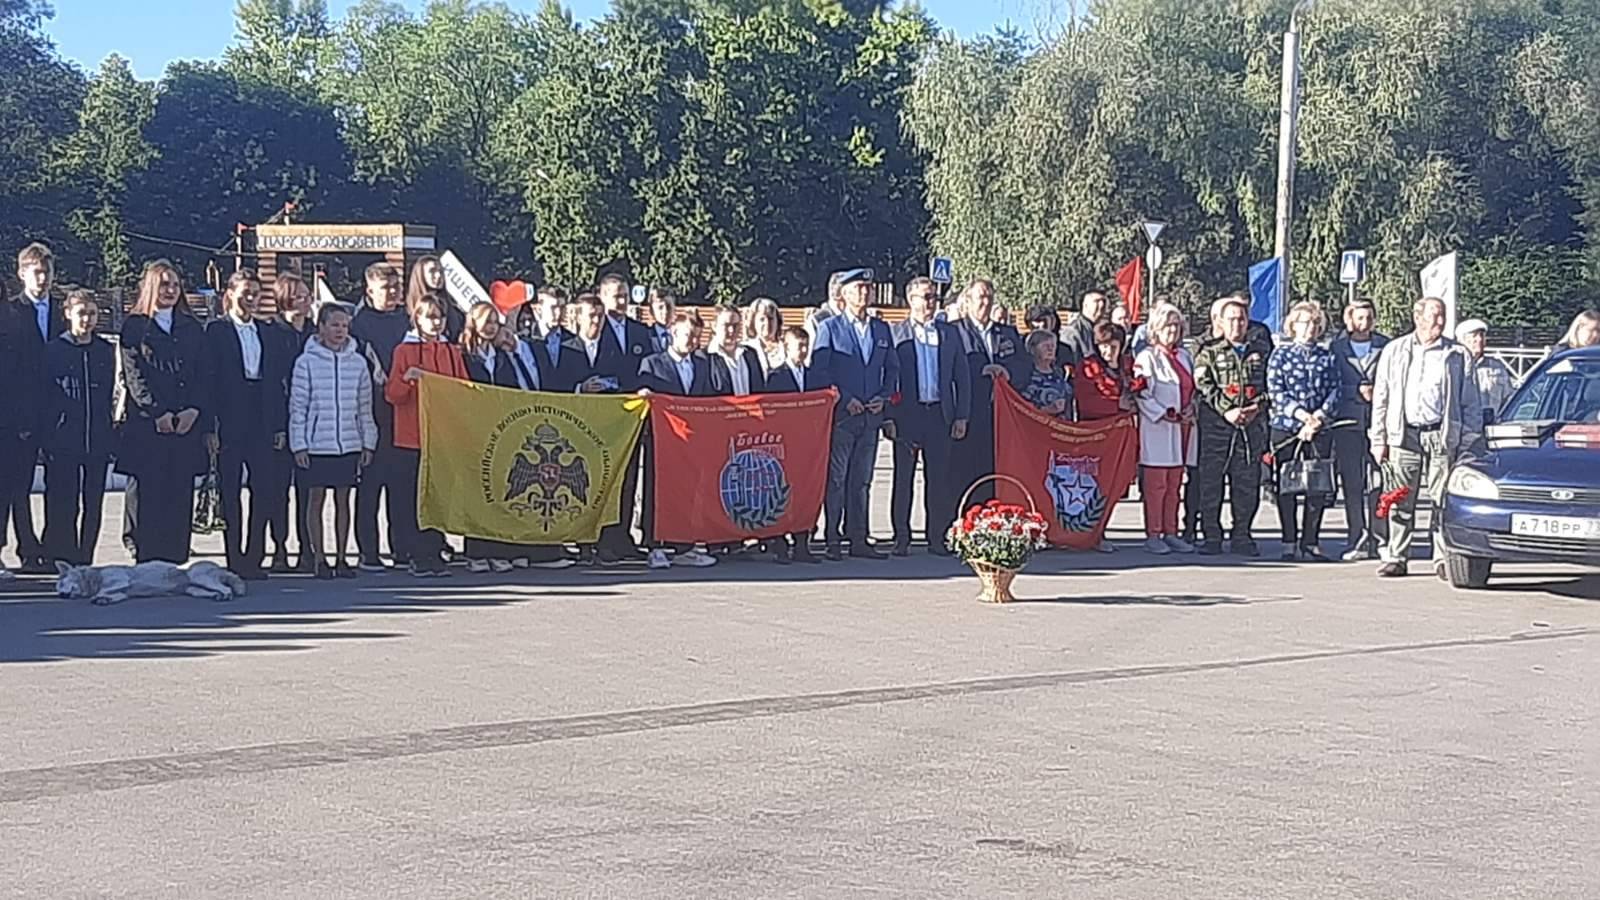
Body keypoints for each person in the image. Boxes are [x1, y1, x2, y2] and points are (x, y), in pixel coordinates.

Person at [1369, 297, 1481, 578]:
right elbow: (1381, 397)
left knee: (1441, 498)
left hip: (1441, 435)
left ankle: (1442, 557)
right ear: (1417, 318)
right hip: (1404, 434)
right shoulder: (1395, 350)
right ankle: (1397, 556)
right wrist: (1378, 438)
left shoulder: (1457, 354)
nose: (1440, 322)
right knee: (1400, 497)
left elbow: (1470, 401)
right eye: (1434, 316)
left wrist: (1468, 438)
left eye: (1443, 315)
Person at [116, 260, 208, 564]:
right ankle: (144, 551)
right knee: (148, 489)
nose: (170, 290)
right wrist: (157, 413)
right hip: (148, 425)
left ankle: (176, 554)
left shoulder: (191, 327)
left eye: (175, 285)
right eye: (164, 284)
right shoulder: (135, 326)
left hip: (185, 423)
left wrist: (193, 409)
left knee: (179, 489)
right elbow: (134, 376)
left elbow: (202, 373)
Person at [203, 270, 291, 580]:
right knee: (230, 490)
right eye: (245, 292)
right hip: (229, 417)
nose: (251, 298)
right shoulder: (216, 330)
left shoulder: (267, 331)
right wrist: (210, 427)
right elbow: (208, 380)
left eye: (255, 292)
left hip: (262, 417)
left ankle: (255, 556)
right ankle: (234, 557)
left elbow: (276, 383)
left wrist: (279, 426)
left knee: (263, 489)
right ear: (230, 294)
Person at [811, 267, 899, 560]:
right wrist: (844, 399)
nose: (865, 292)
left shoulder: (881, 329)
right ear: (844, 294)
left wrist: (883, 397)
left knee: (862, 480)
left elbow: (892, 369)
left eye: (867, 288)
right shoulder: (830, 328)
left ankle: (859, 537)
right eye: (859, 288)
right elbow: (820, 371)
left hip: (870, 417)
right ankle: (833, 539)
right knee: (837, 481)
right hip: (844, 418)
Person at [289, 303, 378, 580]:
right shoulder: (306, 362)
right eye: (334, 325)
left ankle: (341, 557)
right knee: (316, 498)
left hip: (348, 442)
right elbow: (298, 406)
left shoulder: (358, 362)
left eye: (344, 325)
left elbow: (365, 406)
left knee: (343, 499)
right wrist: (299, 444)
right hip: (317, 443)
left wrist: (368, 441)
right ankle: (319, 558)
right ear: (322, 327)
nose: (340, 330)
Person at [384, 293, 470, 578]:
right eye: (430, 317)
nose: (436, 322)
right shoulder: (403, 351)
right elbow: (392, 395)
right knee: (412, 498)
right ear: (417, 319)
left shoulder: (451, 352)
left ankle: (434, 548)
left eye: (440, 317)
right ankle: (415, 553)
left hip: (441, 438)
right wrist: (407, 379)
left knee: (437, 497)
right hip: (411, 437)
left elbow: (463, 390)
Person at [887, 277, 971, 556]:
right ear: (911, 300)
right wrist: (889, 417)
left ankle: (936, 537)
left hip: (939, 414)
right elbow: (889, 378)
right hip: (908, 415)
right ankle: (901, 537)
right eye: (926, 297)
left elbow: (962, 376)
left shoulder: (949, 333)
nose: (931, 302)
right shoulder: (897, 333)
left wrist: (961, 415)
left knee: (938, 479)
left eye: (934, 297)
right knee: (903, 479)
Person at [458, 303, 541, 574]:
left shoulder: (503, 356)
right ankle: (476, 551)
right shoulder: (463, 354)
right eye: (486, 321)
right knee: (477, 491)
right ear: (474, 322)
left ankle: (501, 549)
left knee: (502, 489)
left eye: (495, 321)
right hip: (474, 430)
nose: (491, 326)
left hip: (502, 431)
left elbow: (519, 388)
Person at [636, 311, 719, 570]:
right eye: (688, 335)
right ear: (673, 333)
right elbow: (643, 393)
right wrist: (645, 394)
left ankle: (685, 545)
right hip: (662, 440)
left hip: (692, 441)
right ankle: (654, 545)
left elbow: (708, 398)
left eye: (696, 337)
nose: (693, 341)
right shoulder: (652, 363)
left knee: (689, 492)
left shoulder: (702, 365)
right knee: (656, 490)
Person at [41, 290, 115, 567]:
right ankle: (64, 557)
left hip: (97, 438)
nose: (87, 319)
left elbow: (109, 392)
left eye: (92, 313)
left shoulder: (105, 350)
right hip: (63, 439)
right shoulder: (53, 350)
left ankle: (86, 558)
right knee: (63, 502)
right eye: (81, 313)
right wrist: (48, 432)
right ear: (68, 314)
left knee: (93, 503)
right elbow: (44, 395)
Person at [0, 241, 61, 575]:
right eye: (36, 272)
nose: (42, 278)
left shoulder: (64, 311)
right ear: (21, 273)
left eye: (47, 271)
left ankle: (52, 549)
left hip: (58, 415)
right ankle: (23, 549)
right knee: (14, 486)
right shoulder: (9, 312)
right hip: (19, 415)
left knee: (59, 486)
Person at [1192, 296, 1270, 557]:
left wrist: (1256, 407)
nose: (1237, 324)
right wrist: (1227, 410)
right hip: (1217, 428)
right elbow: (1204, 386)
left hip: (1250, 429)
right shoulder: (1209, 352)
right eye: (1232, 319)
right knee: (1211, 485)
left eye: (1241, 319)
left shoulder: (1261, 352)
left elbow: (1271, 386)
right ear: (1221, 323)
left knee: (1247, 485)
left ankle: (1242, 535)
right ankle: (1211, 536)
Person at [1266, 301, 1340, 562]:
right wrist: (1300, 416)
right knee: (1287, 486)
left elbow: (1335, 389)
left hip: (1319, 428)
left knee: (1316, 487)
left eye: (1315, 323)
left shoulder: (1327, 356)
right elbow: (1275, 390)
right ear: (1293, 325)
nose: (1310, 328)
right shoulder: (1281, 355)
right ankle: (1289, 541)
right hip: (1287, 428)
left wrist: (1318, 417)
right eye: (1305, 323)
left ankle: (1311, 541)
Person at [350, 261, 411, 571]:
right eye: (386, 288)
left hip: (403, 412)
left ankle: (402, 548)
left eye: (396, 287)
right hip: (371, 412)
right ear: (370, 289)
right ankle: (369, 551)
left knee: (401, 485)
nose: (393, 293)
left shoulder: (406, 320)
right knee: (371, 485)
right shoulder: (358, 324)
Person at [954, 279, 1029, 507]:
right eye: (980, 297)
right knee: (965, 474)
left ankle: (993, 516)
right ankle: (967, 518)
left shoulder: (1007, 333)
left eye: (989, 297)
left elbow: (1025, 366)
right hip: (969, 413)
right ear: (967, 301)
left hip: (1001, 415)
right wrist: (981, 371)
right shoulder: (954, 331)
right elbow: (951, 368)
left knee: (996, 472)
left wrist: (1007, 372)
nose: (985, 302)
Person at [596, 273, 652, 561]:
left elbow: (648, 367)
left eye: (625, 295)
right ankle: (603, 537)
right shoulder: (595, 328)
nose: (622, 301)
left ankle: (623, 536)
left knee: (630, 477)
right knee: (607, 476)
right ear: (602, 296)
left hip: (634, 414)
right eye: (616, 295)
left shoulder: (641, 332)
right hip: (605, 415)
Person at [1328, 299, 1390, 561]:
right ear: (1350, 319)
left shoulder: (1385, 345)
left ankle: (1380, 537)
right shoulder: (1337, 347)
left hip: (1378, 422)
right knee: (1352, 484)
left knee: (1379, 482)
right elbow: (1330, 381)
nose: (1364, 323)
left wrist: (1377, 392)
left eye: (1369, 317)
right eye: (1360, 317)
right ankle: (1356, 536)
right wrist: (1356, 390)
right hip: (1347, 423)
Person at [1133, 304, 1197, 555]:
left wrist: (1191, 407)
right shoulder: (1147, 357)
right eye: (1167, 326)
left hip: (1183, 428)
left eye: (1176, 326)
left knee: (1174, 484)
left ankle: (1171, 531)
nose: (1172, 330)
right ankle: (1153, 533)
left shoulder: (1184, 357)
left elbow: (1193, 389)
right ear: (1155, 329)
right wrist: (1163, 413)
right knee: (1156, 485)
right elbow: (1141, 393)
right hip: (1158, 428)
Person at [266, 271, 317, 572]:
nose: (306, 300)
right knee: (278, 491)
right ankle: (280, 548)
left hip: (312, 423)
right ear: (285, 298)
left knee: (308, 491)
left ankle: (308, 549)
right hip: (280, 421)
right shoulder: (271, 332)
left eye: (308, 295)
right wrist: (277, 426)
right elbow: (270, 383)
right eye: (300, 296)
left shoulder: (315, 333)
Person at [763, 327, 821, 564]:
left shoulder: (815, 376)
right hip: (785, 445)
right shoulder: (776, 377)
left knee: (805, 492)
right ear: (787, 348)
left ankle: (802, 542)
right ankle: (779, 543)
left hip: (808, 444)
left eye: (806, 346)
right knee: (781, 491)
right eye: (799, 346)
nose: (804, 351)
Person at [1455, 319, 1514, 436]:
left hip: (1493, 429)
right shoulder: (1454, 367)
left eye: (1482, 335)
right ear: (1461, 340)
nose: (1479, 340)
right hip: (1463, 431)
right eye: (1474, 336)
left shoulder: (1497, 367)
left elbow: (1509, 399)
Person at [1074, 322, 1139, 423]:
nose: (1109, 351)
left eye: (1113, 347)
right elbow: (1085, 403)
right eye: (1104, 346)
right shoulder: (1088, 367)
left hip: (1124, 426)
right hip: (1097, 427)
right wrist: (1117, 404)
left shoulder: (1128, 365)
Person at [708, 306, 765, 396]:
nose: (731, 330)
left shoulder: (750, 354)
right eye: (726, 325)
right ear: (714, 326)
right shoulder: (705, 358)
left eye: (736, 325)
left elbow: (760, 389)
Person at [405, 254, 465, 340]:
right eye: (432, 271)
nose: (438, 275)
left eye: (440, 271)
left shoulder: (455, 311)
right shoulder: (406, 312)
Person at [1020, 331, 1073, 421]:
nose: (1050, 349)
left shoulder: (1060, 372)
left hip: (1061, 425)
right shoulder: (1024, 374)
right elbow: (1021, 405)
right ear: (1032, 349)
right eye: (1045, 346)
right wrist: (1046, 409)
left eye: (1053, 346)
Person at [1061, 291, 1109, 368]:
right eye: (1097, 301)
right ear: (1085, 305)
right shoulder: (1072, 332)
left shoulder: (1108, 330)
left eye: (1104, 301)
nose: (1101, 305)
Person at [744, 297, 787, 374]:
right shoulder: (746, 349)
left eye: (771, 318)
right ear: (753, 322)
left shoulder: (788, 346)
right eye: (762, 319)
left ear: (778, 321)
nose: (767, 323)